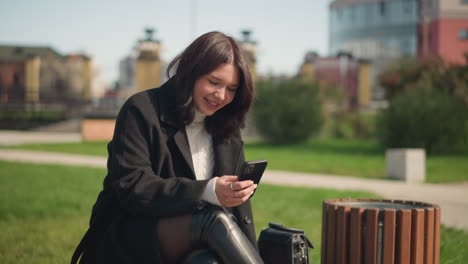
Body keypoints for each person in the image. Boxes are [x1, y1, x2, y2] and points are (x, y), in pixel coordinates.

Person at [71, 31, 264, 264]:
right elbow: (134, 187)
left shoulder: (227, 127)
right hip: (132, 234)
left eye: (232, 88)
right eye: (214, 82)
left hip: (200, 242)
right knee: (213, 220)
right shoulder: (141, 109)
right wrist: (209, 191)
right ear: (191, 72)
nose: (221, 95)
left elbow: (242, 214)